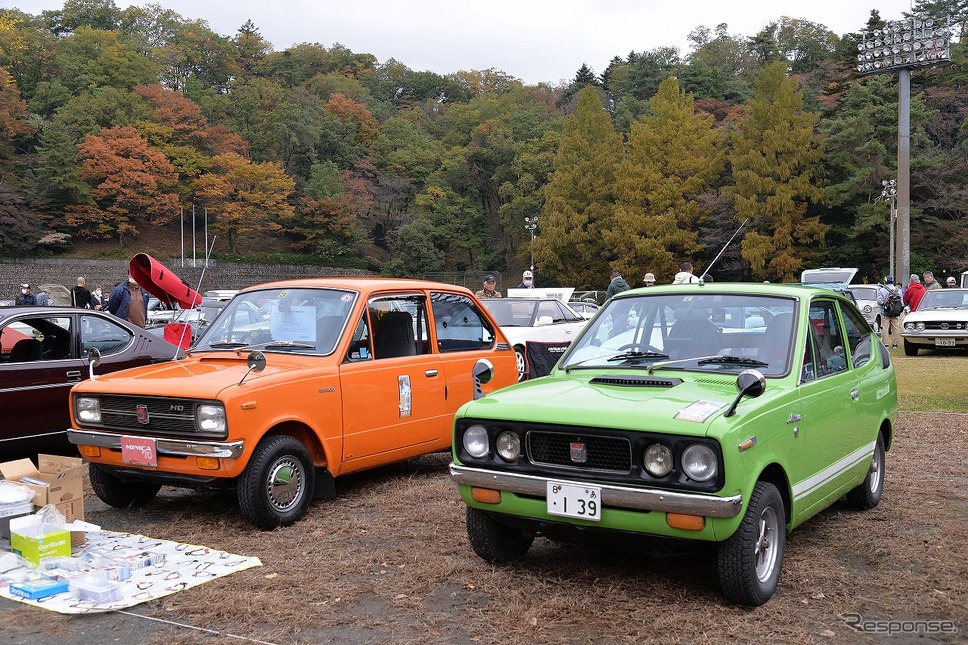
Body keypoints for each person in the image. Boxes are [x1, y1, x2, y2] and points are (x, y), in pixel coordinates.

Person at [877, 276, 903, 349]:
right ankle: (895, 344)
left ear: (885, 281)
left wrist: (885, 304)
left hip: (886, 312)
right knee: (896, 327)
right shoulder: (898, 290)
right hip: (896, 312)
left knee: (885, 328)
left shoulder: (882, 290)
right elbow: (901, 302)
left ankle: (886, 344)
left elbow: (879, 301)